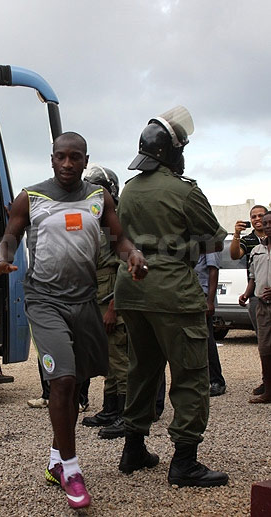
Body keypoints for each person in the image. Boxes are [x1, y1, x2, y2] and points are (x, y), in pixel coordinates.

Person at [0, 132, 148, 509]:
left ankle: (56, 460)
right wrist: (1, 259)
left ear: (86, 160)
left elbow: (119, 240)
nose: (68, 164)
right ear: (52, 158)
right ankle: (71, 472)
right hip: (44, 300)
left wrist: (133, 255)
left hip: (84, 301)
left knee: (75, 386)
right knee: (62, 380)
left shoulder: (99, 197)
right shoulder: (30, 197)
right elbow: (10, 237)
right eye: (61, 156)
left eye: (76, 157)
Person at [115, 106, 229, 488]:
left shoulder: (129, 190)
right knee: (190, 373)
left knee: (141, 369)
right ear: (171, 151)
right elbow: (214, 240)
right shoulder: (183, 190)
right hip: (172, 292)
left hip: (131, 289)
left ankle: (133, 449)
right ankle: (184, 462)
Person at [80, 165, 129, 439]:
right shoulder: (95, 221)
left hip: (111, 293)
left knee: (119, 356)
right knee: (108, 356)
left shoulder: (115, 221)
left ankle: (126, 415)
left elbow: (124, 265)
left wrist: (114, 307)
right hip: (97, 292)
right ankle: (110, 409)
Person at [230, 204, 268, 395]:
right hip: (257, 299)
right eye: (253, 216)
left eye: (261, 215)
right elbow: (234, 255)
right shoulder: (249, 241)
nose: (257, 219)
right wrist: (237, 235)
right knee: (264, 342)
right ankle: (267, 381)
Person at [239, 210, 271, 404]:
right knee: (265, 348)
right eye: (265, 223)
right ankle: (268, 389)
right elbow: (253, 277)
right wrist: (246, 293)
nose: (267, 226)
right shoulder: (256, 250)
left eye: (270, 222)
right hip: (262, 306)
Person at [194, 253, 226, 396]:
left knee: (207, 340)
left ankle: (217, 381)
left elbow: (213, 269)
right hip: (185, 295)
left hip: (202, 295)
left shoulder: (207, 242)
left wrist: (210, 301)